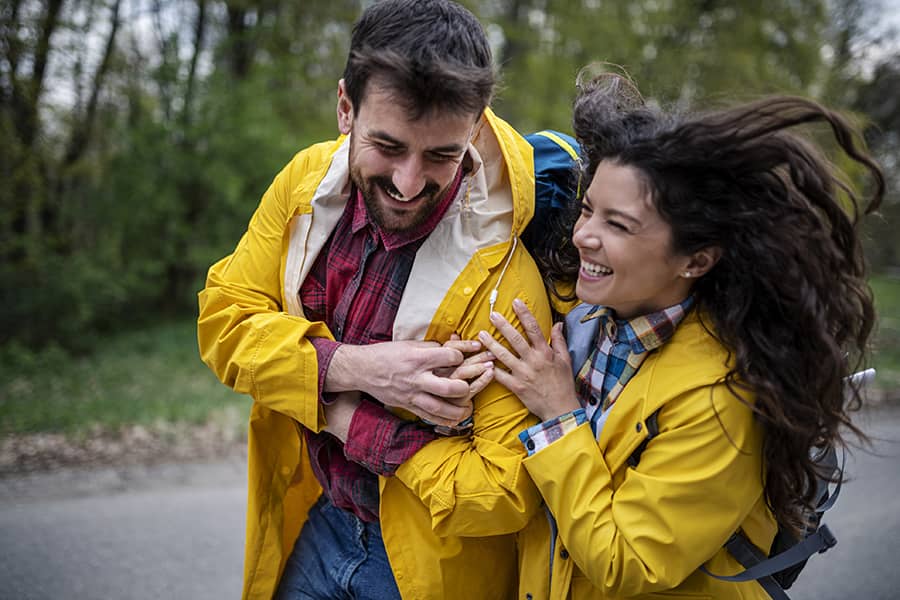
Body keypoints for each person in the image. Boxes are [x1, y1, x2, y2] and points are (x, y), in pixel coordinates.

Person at [478, 76, 884, 599]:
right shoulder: (590, 319)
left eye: (618, 225)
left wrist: (560, 418)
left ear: (696, 259)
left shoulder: (721, 398)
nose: (583, 235)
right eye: (587, 209)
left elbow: (628, 561)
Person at [196, 1, 552, 598]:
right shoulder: (304, 184)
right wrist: (357, 368)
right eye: (388, 146)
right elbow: (224, 323)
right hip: (321, 520)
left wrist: (341, 416)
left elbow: (504, 490)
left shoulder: (503, 272)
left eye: (442, 154)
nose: (410, 183)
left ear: (474, 128)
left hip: (428, 569)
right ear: (345, 108)